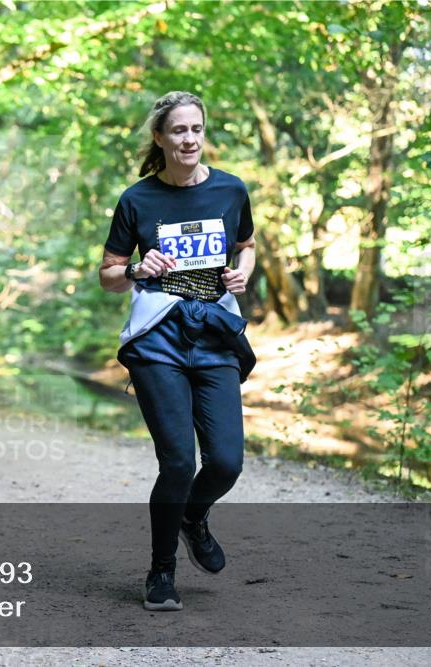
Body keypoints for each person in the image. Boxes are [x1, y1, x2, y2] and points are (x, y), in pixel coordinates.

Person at [99, 91, 257, 612]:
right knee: (176, 462)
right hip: (158, 340)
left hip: (214, 334)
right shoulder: (137, 200)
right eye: (178, 131)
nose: (189, 139)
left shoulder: (231, 190)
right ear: (160, 139)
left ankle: (193, 516)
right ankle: (161, 572)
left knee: (227, 462)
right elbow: (108, 275)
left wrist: (242, 273)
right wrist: (137, 271)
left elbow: (247, 246)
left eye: (196, 129)